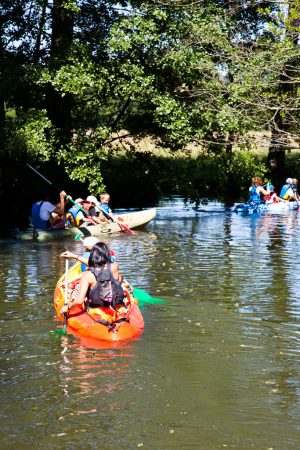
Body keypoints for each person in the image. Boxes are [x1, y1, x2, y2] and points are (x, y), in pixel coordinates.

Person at [61, 242, 124, 314]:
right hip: (116, 303)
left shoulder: (87, 275)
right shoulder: (115, 266)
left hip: (97, 306)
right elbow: (98, 267)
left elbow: (79, 300)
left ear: (92, 255)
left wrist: (68, 307)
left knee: (80, 293)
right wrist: (75, 256)